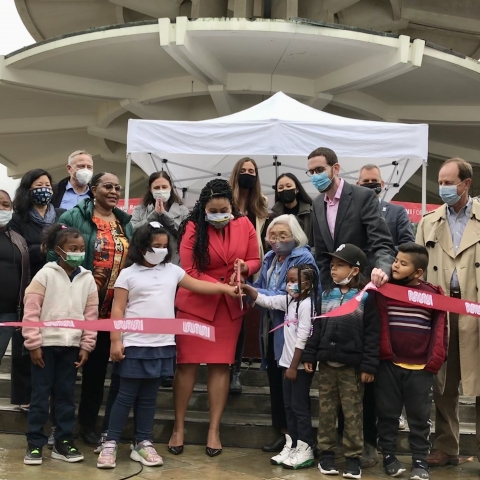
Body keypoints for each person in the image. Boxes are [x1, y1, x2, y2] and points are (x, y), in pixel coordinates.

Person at [97, 222, 241, 469]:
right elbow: (118, 309)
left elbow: (198, 285)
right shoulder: (128, 274)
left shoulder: (173, 271)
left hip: (162, 344)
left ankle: (143, 442)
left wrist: (225, 289)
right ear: (141, 246)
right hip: (133, 344)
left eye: (165, 246)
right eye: (156, 246)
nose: (161, 250)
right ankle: (110, 442)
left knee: (150, 397)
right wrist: (115, 340)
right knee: (126, 395)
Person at [308, 147, 395, 466]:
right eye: (311, 171)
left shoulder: (362, 197)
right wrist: (326, 288)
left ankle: (365, 444)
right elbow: (320, 252)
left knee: (361, 375)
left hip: (364, 292)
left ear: (335, 168)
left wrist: (381, 267)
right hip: (332, 297)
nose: (315, 175)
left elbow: (382, 242)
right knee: (333, 376)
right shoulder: (316, 204)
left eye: (320, 169)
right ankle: (332, 448)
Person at [169, 179, 261, 457]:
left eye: (224, 210)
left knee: (221, 367)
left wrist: (245, 267)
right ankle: (178, 427)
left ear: (231, 206)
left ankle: (214, 430)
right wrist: (222, 286)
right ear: (204, 208)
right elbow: (190, 271)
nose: (219, 215)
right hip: (197, 304)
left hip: (229, 309)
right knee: (186, 366)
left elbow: (256, 259)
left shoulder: (244, 225)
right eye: (213, 210)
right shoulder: (192, 227)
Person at [57, 172, 133, 447]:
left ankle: (88, 425)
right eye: (107, 186)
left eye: (117, 187)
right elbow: (55, 255)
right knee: (66, 368)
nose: (113, 191)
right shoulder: (73, 217)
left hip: (112, 311)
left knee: (97, 371)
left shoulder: (125, 223)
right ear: (93, 189)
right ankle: (60, 427)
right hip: (77, 307)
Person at [416, 157, 480, 468]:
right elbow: (416, 268)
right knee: (443, 384)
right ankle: (446, 446)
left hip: (477, 314)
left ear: (466, 183)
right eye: (440, 182)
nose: (442, 188)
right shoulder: (428, 221)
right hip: (441, 313)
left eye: (448, 182)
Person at [302, 243, 380, 480]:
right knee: (326, 411)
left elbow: (372, 334)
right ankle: (326, 454)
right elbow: (317, 327)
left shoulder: (366, 297)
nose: (334, 270)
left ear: (355, 270)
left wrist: (368, 365)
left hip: (352, 368)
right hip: (326, 365)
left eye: (340, 266)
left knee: (353, 412)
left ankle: (354, 457)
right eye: (332, 265)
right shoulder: (326, 294)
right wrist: (310, 354)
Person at [22, 224, 98, 465]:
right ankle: (35, 443)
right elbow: (31, 311)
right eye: (72, 248)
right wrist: (33, 344)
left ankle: (63, 441)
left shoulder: (88, 279)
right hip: (45, 347)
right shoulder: (44, 275)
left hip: (71, 348)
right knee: (40, 396)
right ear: (59, 251)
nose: (78, 252)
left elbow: (91, 316)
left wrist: (86, 345)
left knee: (65, 397)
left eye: (81, 249)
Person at [375, 243, 447, 480]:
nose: (395, 265)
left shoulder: (433, 295)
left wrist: (435, 360)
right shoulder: (385, 290)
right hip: (390, 365)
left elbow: (439, 331)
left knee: (419, 417)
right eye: (396, 260)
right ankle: (389, 456)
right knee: (387, 414)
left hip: (420, 370)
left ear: (418, 272)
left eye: (403, 263)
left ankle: (419, 461)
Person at [248, 214, 317, 454]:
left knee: (293, 387)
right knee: (276, 384)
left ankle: (302, 439)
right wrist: (246, 288)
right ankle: (285, 435)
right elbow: (261, 288)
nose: (277, 240)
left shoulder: (303, 257)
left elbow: (291, 294)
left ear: (295, 236)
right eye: (272, 235)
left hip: (292, 330)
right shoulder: (269, 257)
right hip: (269, 326)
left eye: (283, 235)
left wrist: (257, 294)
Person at [243, 264, 319, 469]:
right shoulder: (290, 301)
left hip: (298, 367)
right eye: (288, 280)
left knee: (300, 407)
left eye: (295, 281)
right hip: (287, 365)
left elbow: (303, 337)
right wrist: (250, 290)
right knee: (288, 407)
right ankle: (292, 444)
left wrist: (294, 366)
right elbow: (268, 301)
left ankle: (306, 447)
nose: (290, 285)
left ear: (308, 284)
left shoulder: (306, 305)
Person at [9, 169, 65, 413]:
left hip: (58, 283)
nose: (45, 188)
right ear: (28, 189)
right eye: (38, 184)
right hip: (29, 282)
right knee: (25, 338)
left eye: (48, 184)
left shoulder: (61, 215)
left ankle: (50, 392)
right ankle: (24, 395)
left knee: (52, 339)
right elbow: (17, 248)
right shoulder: (18, 217)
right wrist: (43, 249)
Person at [229, 157, 270, 393]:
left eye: (251, 171)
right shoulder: (224, 204)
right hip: (225, 269)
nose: (247, 174)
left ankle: (236, 370)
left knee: (242, 321)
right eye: (243, 170)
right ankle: (225, 366)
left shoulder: (261, 210)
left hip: (251, 271)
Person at [131, 171, 189, 266]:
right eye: (157, 188)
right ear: (150, 189)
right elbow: (132, 231)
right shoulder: (140, 209)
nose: (161, 190)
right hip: (145, 265)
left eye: (164, 187)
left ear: (170, 188)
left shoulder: (183, 210)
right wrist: (153, 215)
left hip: (174, 264)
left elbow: (186, 235)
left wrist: (165, 215)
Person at [0, 190, 29, 365]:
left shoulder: (18, 240)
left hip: (8, 314)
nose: (2, 208)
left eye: (6, 205)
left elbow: (25, 275)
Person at [357, 164, 415, 247]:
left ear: (382, 184)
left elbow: (408, 244)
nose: (370, 184)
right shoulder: (350, 211)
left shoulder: (397, 212)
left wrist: (384, 253)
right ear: (357, 184)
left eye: (374, 181)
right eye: (366, 181)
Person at [272, 173, 313, 244]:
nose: (285, 189)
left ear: (297, 189)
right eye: (281, 188)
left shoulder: (310, 213)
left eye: (288, 186)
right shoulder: (274, 216)